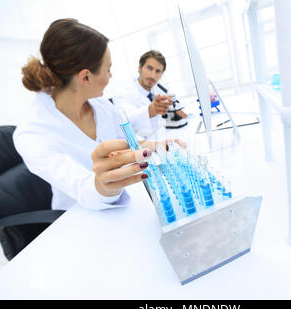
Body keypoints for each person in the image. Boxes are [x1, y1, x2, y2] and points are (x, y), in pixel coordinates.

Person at [15, 18, 182, 211]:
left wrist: (157, 146)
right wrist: (103, 185)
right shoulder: (33, 134)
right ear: (85, 77)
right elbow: (83, 187)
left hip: (124, 203)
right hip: (78, 218)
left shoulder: (100, 105)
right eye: (108, 69)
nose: (110, 76)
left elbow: (128, 142)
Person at [112, 50, 188, 137]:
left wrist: (176, 111)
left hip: (164, 139)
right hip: (141, 146)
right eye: (149, 68)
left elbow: (176, 105)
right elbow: (126, 121)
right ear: (140, 68)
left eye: (158, 71)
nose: (153, 75)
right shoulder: (122, 94)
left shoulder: (160, 89)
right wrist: (151, 110)